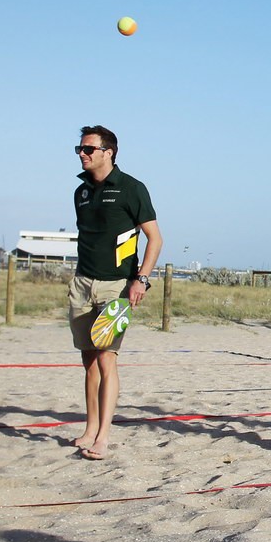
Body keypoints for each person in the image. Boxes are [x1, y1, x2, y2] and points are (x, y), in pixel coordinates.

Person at [68, 125, 163, 461]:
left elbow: (155, 239)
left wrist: (141, 280)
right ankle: (90, 428)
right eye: (79, 149)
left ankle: (103, 437)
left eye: (88, 149)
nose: (82, 154)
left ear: (108, 152)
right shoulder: (80, 192)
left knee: (107, 359)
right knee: (88, 361)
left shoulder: (131, 189)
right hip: (82, 283)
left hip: (116, 286)